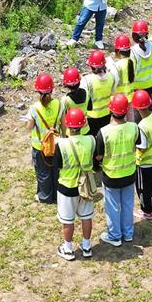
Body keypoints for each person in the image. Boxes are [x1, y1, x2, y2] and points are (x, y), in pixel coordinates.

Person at [94, 94, 144, 247]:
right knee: (128, 204)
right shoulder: (134, 127)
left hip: (111, 175)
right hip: (129, 173)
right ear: (127, 110)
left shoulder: (104, 132)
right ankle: (128, 233)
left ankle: (115, 235)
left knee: (113, 206)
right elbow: (138, 144)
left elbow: (99, 155)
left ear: (111, 110)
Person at [56, 107, 97, 260]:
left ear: (67, 125)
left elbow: (57, 164)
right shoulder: (91, 140)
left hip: (67, 187)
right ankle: (86, 246)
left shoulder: (61, 144)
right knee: (86, 217)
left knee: (68, 220)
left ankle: (67, 249)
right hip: (86, 185)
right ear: (83, 124)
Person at [26, 74, 61, 203]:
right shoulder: (59, 104)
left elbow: (29, 127)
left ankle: (45, 196)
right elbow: (63, 123)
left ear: (38, 91)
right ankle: (57, 195)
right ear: (52, 89)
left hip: (40, 146)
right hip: (57, 144)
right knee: (56, 170)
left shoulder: (34, 108)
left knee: (43, 172)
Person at [132, 90, 152, 220]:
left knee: (141, 188)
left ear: (136, 108)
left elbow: (143, 147)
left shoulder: (142, 126)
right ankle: (148, 201)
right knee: (151, 185)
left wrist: (133, 147)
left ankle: (146, 210)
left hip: (144, 163)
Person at [81, 50, 117, 137]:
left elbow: (84, 99)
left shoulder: (87, 80)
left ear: (91, 66)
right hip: (106, 114)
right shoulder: (111, 76)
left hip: (91, 116)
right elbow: (113, 93)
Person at [129, 21, 152, 102]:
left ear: (134, 36)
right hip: (151, 82)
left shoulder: (133, 52)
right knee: (148, 104)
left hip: (138, 86)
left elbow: (131, 71)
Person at [58, 67, 90, 137]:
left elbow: (63, 117)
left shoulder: (65, 100)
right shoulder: (87, 93)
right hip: (85, 128)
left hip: (71, 132)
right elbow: (90, 108)